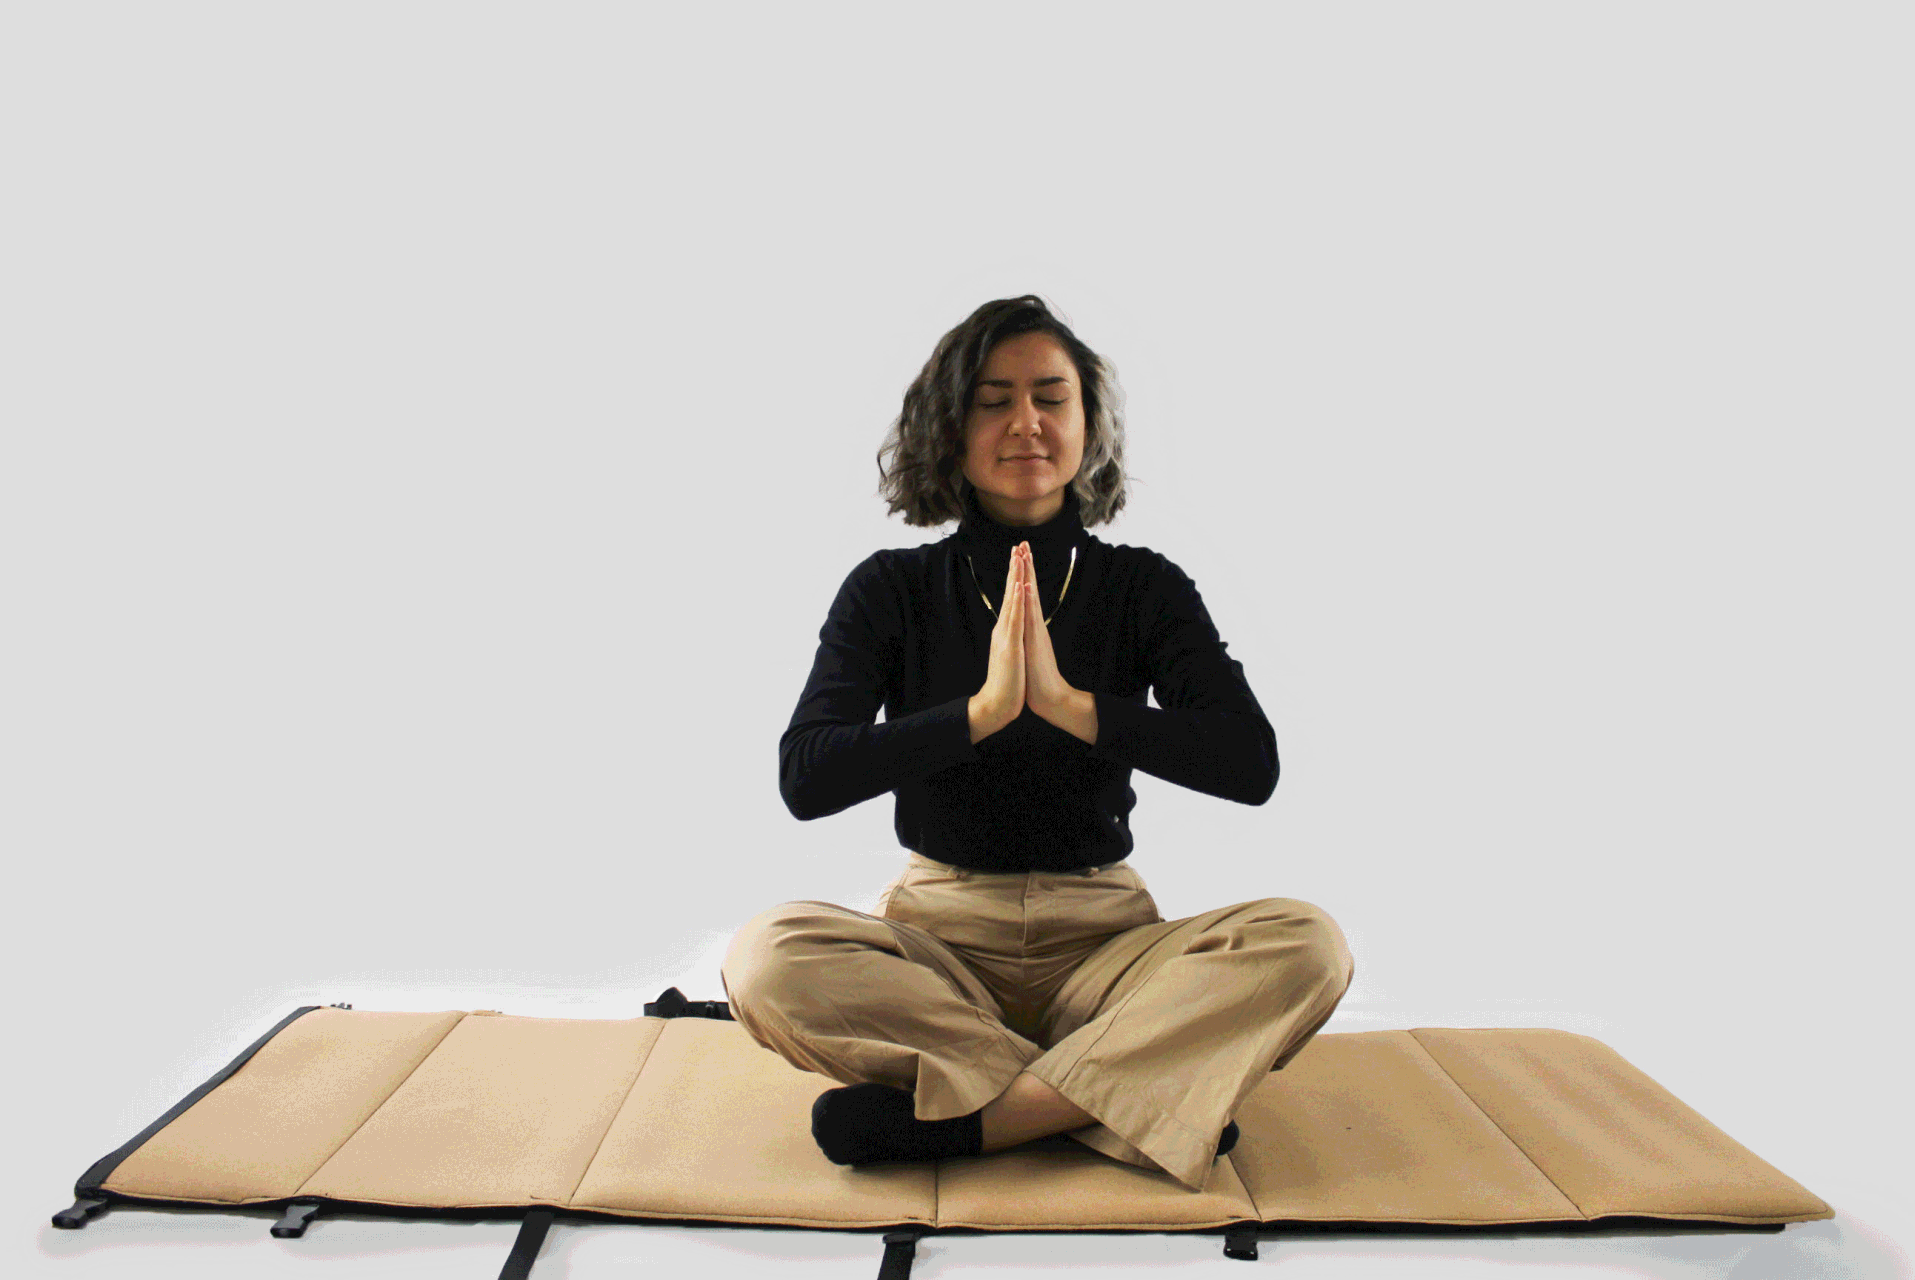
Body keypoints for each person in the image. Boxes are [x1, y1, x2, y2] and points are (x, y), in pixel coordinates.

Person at [720, 295, 1354, 1193]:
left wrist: (1068, 705)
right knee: (766, 958)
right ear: (949, 428)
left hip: (1105, 950)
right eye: (992, 401)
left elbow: (1249, 765)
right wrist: (979, 714)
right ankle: (1125, 1095)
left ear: (1087, 426)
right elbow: (806, 777)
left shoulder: (1144, 586)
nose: (1025, 423)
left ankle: (987, 1118)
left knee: (1306, 944)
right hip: (941, 947)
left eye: (1051, 398)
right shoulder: (890, 587)